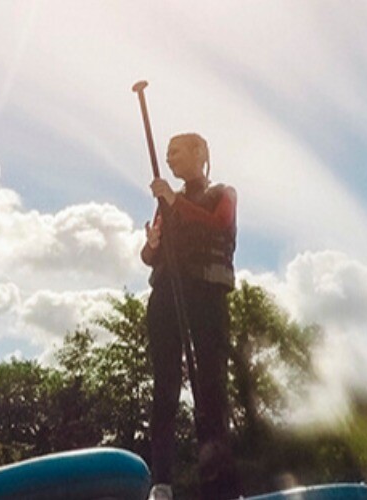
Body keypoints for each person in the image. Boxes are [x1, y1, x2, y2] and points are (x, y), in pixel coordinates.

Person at [141, 133, 238, 500]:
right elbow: (151, 255)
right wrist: (151, 246)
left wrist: (171, 200)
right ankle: (162, 484)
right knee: (164, 389)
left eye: (176, 152)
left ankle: (219, 487)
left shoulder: (223, 193)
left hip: (207, 296)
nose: (169, 159)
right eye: (166, 154)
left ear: (200, 153)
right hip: (167, 296)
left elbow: (218, 223)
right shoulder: (168, 202)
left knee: (211, 390)